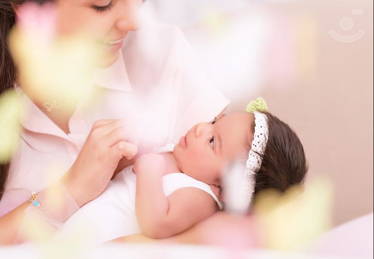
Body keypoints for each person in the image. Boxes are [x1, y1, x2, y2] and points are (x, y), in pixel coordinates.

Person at [0, 0, 229, 244]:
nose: (132, 22)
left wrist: (122, 253)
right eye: (102, 5)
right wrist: (70, 189)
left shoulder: (161, 54)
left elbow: (241, 212)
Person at [59, 101, 308, 244]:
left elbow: (156, 225)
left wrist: (149, 171)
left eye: (212, 141)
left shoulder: (199, 196)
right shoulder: (177, 154)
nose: (200, 129)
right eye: (213, 123)